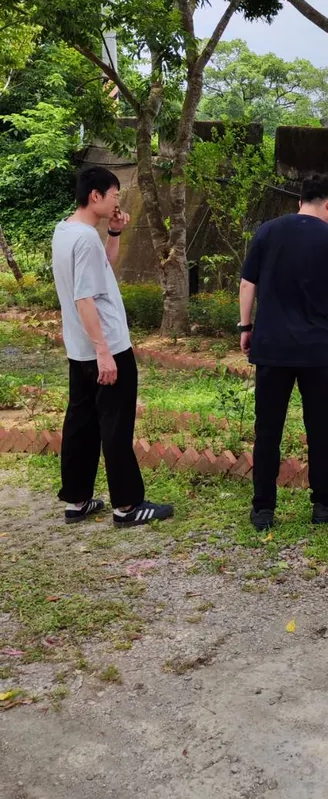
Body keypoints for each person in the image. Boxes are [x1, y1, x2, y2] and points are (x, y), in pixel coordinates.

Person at [239, 173, 328, 532]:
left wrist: (246, 327)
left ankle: (263, 509)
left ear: (301, 202)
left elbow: (248, 282)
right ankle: (323, 502)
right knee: (320, 429)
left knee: (267, 430)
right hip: (315, 350)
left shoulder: (268, 231)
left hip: (271, 346)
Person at [51, 166, 174, 528]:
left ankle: (76, 499)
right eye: (115, 194)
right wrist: (104, 350)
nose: (118, 200)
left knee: (80, 423)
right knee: (115, 426)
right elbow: (84, 297)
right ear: (96, 196)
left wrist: (115, 232)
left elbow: (101, 271)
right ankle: (127, 505)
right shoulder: (85, 238)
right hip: (107, 347)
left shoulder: (66, 231)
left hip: (80, 347)